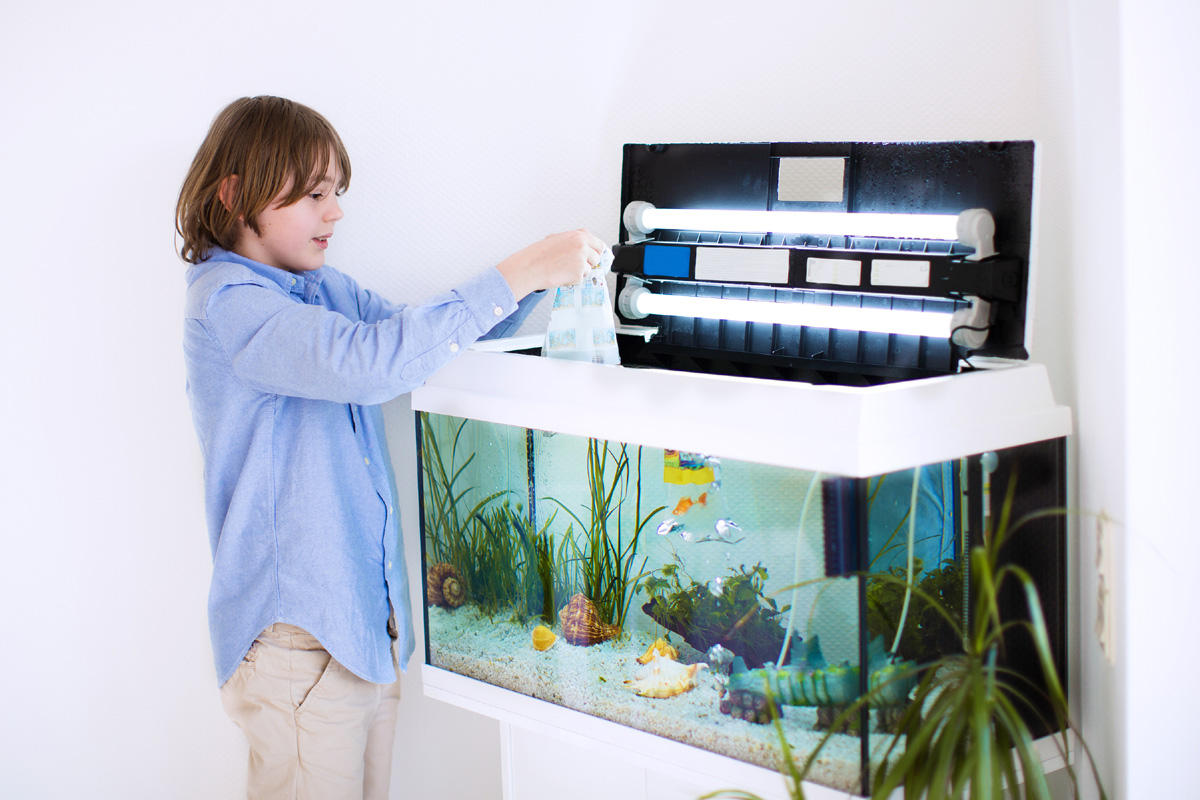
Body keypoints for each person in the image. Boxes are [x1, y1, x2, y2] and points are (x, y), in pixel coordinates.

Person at [176, 95, 605, 799]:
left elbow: (424, 346)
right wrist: (521, 268)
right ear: (234, 194)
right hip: (297, 641)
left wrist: (535, 285)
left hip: (363, 629)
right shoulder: (229, 303)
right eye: (314, 194)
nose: (335, 212)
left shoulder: (323, 291)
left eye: (335, 193)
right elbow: (372, 364)